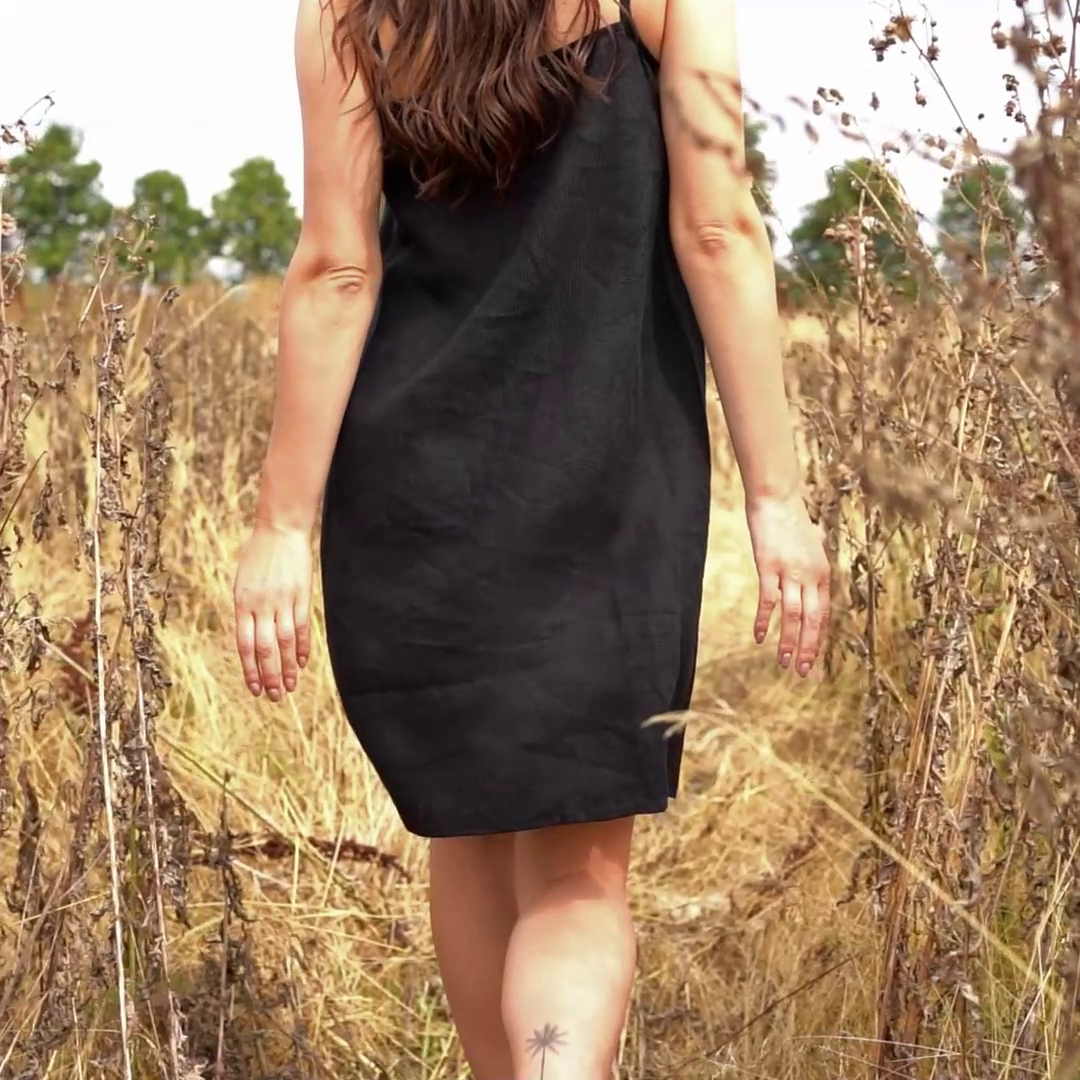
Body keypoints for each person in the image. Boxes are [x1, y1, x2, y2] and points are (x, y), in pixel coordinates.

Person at [232, 0, 830, 1074]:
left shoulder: (350, 16)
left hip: (413, 484)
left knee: (466, 833)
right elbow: (718, 228)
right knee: (578, 871)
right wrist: (776, 496)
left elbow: (336, 268)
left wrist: (281, 524)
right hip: (608, 481)